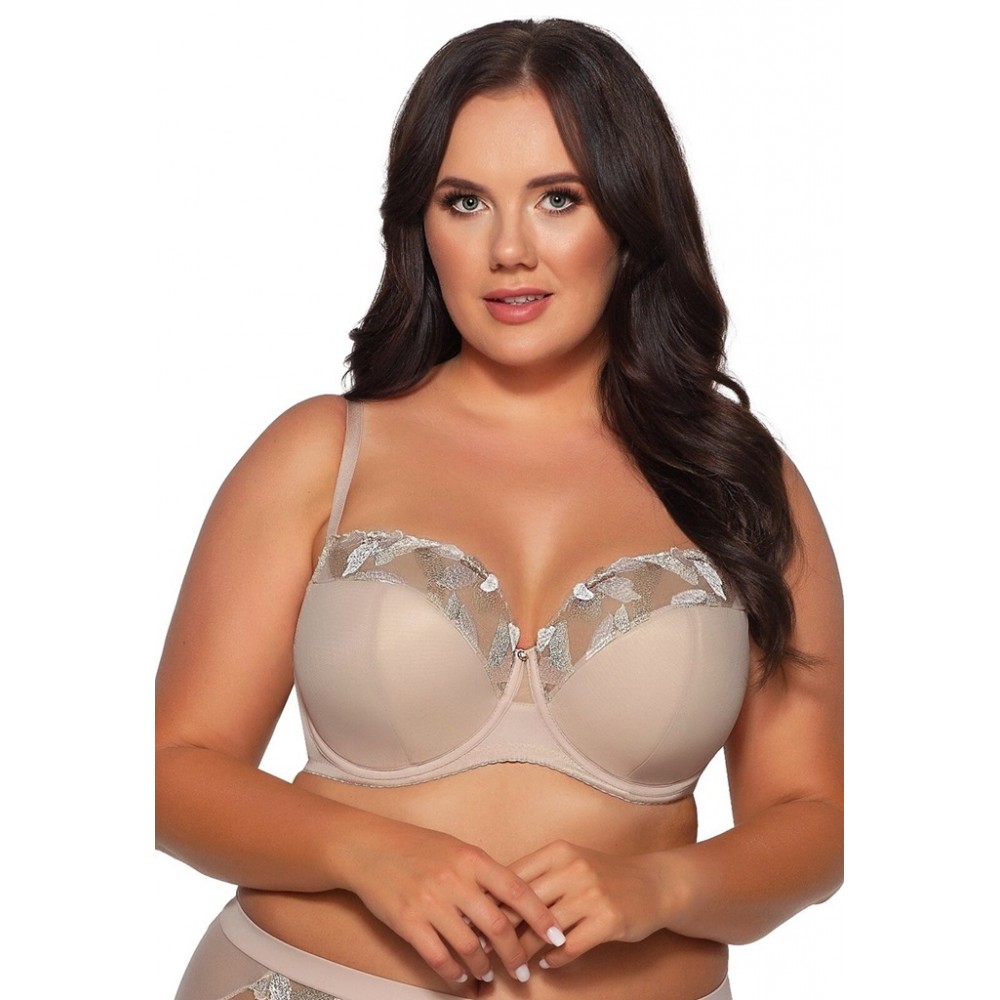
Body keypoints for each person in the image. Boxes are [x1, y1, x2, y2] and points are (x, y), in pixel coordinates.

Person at [155, 17, 843, 1000]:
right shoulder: (321, 454)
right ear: (421, 225)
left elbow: (813, 821)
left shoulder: (740, 480)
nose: (509, 249)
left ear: (630, 215)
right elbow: (169, 770)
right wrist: (364, 850)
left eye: (559, 198)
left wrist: (661, 885)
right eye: (465, 201)